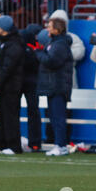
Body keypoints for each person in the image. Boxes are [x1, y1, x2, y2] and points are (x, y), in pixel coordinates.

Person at [36, 17, 73, 156]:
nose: (48, 29)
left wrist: (38, 53)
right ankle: (58, 144)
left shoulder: (60, 44)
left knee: (58, 118)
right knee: (54, 117)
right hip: (53, 86)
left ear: (57, 29)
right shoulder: (55, 43)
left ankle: (61, 145)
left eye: (50, 26)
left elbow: (52, 61)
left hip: (58, 86)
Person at [0, 15, 25, 155]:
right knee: (0, 115)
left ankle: (14, 146)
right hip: (2, 87)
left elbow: (8, 67)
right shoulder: (3, 42)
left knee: (10, 116)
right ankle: (2, 144)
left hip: (11, 87)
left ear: (5, 28)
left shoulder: (14, 44)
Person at [19, 23, 44, 152]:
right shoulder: (30, 47)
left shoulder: (35, 47)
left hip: (27, 82)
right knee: (32, 112)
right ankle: (33, 143)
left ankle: (34, 143)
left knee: (32, 112)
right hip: (28, 82)